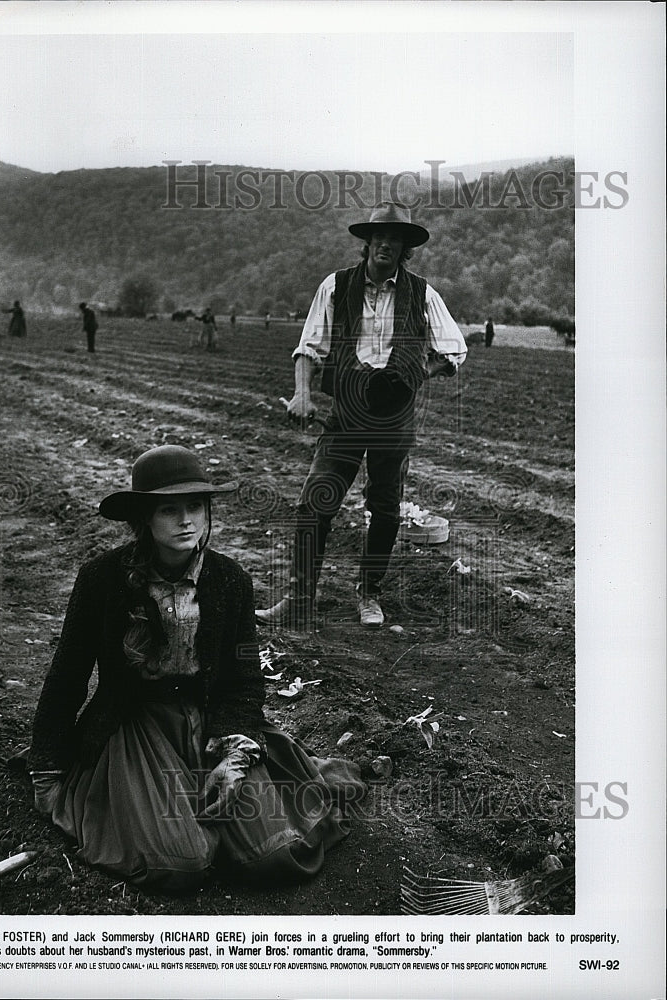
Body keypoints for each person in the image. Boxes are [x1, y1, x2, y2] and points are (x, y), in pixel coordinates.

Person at [28, 445, 364, 892]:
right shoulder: (101, 579)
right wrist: (47, 768)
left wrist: (235, 757)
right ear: (144, 518)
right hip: (136, 724)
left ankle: (227, 813)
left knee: (278, 857)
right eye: (170, 509)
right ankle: (168, 820)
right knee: (181, 865)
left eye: (196, 507)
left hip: (212, 719)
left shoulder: (230, 580)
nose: (186, 520)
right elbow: (67, 675)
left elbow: (243, 680)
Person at [255, 202, 467, 630]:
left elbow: (455, 350)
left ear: (406, 247)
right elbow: (308, 347)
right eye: (380, 236)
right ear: (367, 242)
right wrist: (301, 395)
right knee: (315, 503)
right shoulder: (335, 286)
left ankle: (369, 593)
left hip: (394, 419)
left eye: (397, 238)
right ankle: (299, 599)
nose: (387, 243)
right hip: (347, 415)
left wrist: (414, 374)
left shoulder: (423, 293)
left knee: (386, 511)